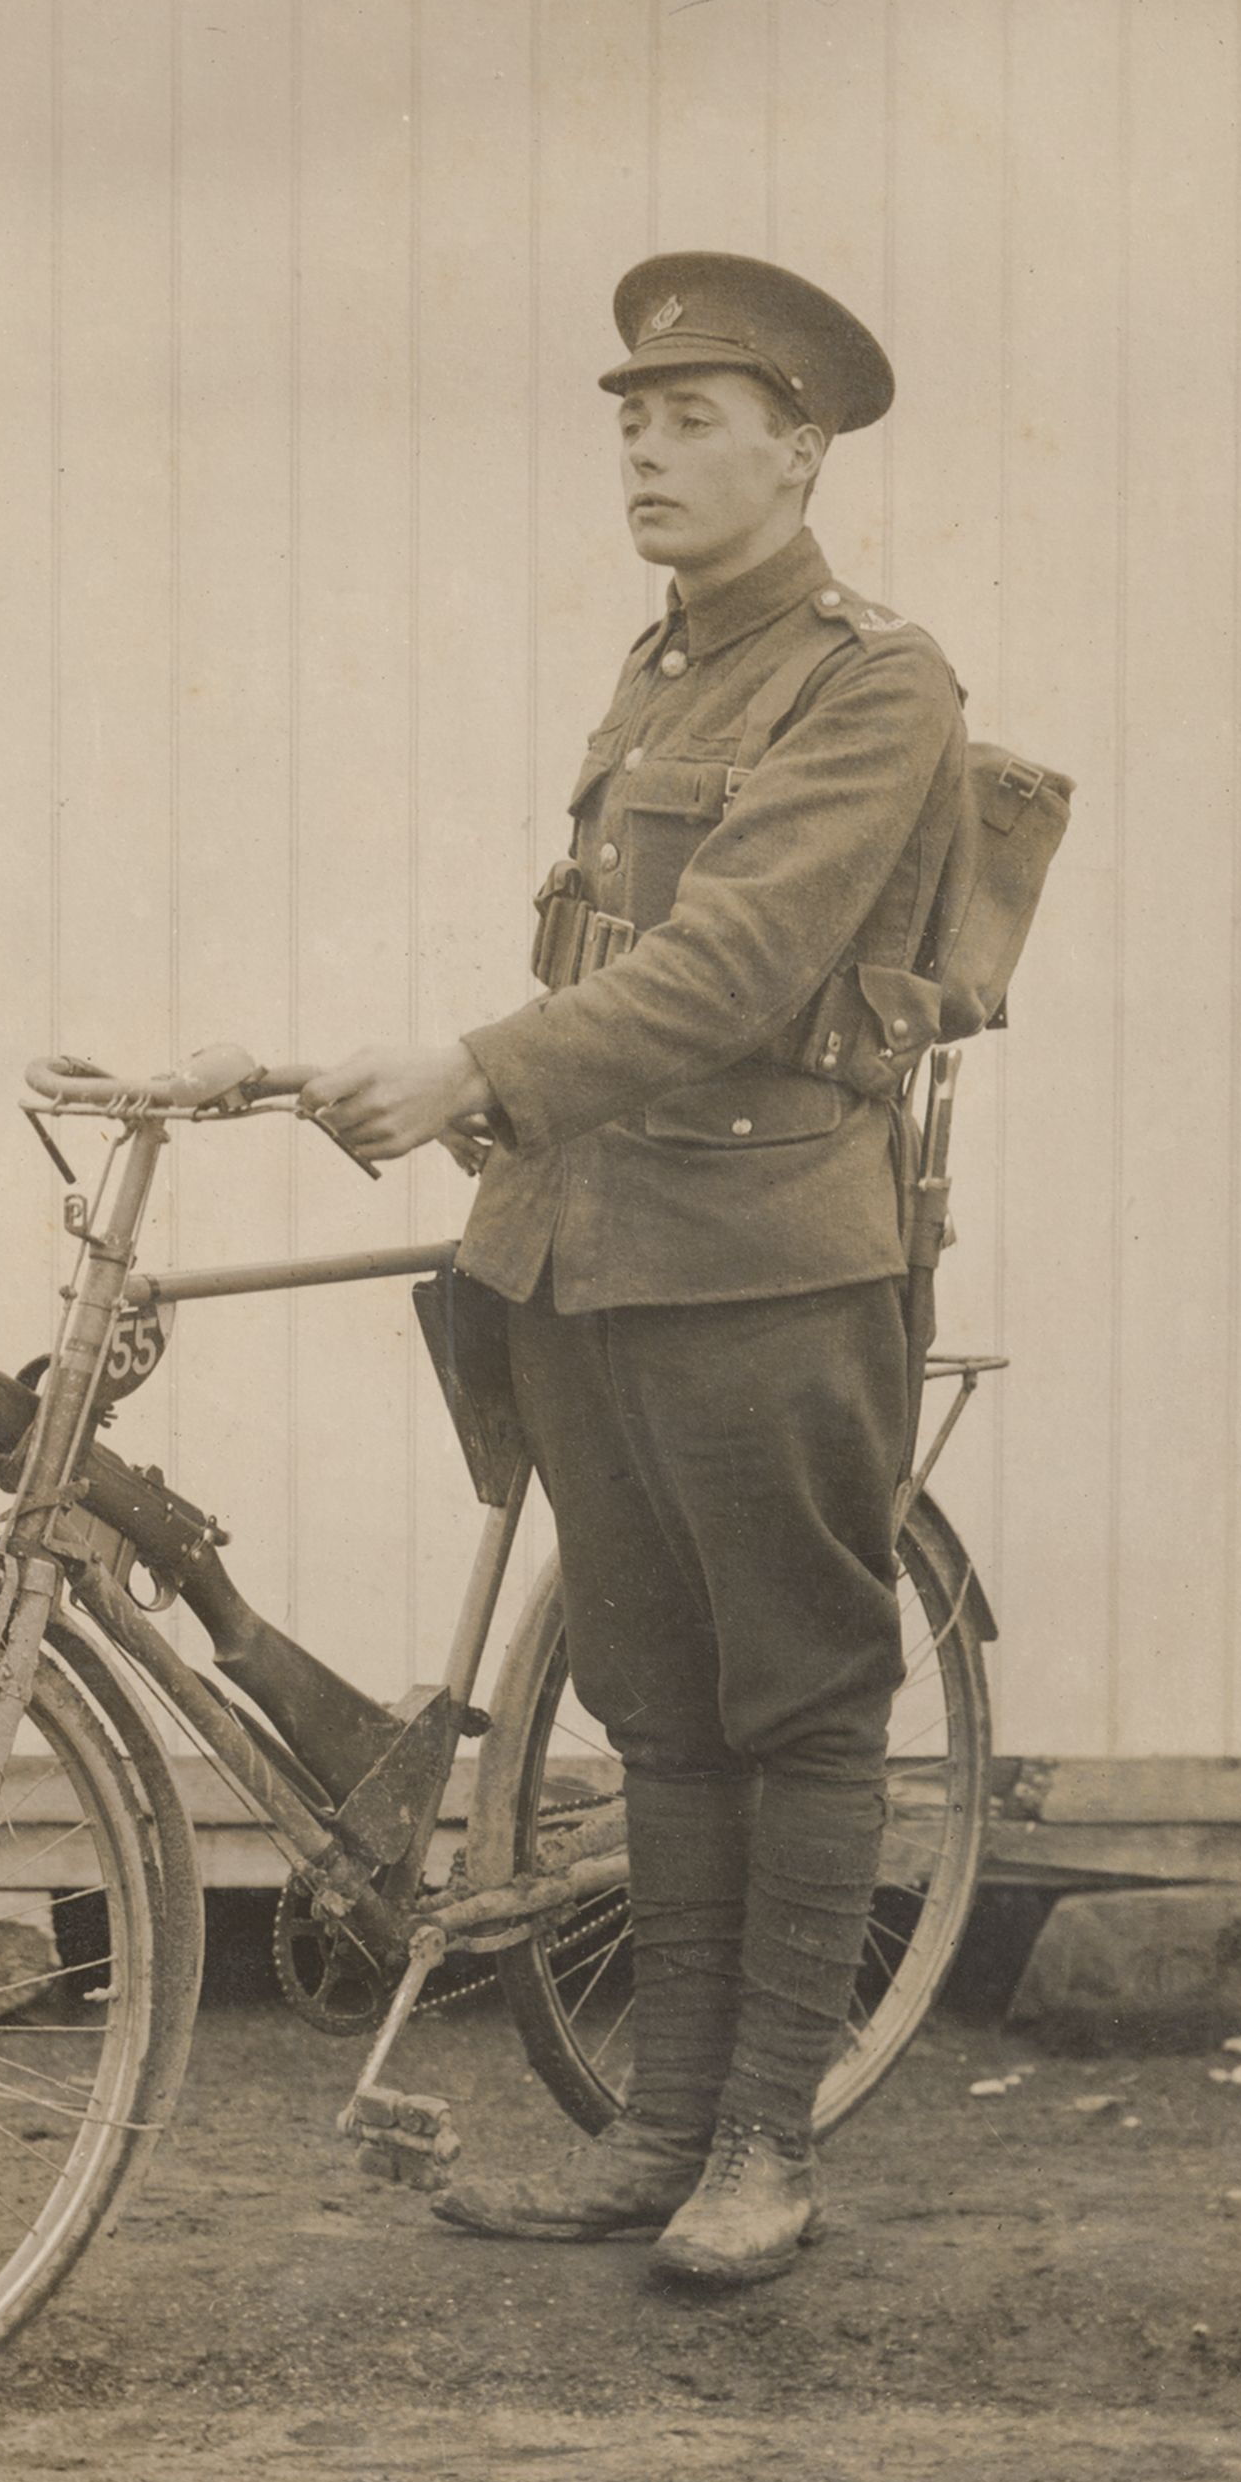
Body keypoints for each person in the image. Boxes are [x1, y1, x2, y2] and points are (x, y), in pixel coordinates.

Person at [303, 251, 968, 2287]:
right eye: (630, 421)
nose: (649, 454)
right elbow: (602, 954)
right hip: (589, 1253)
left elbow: (738, 963)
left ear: (802, 446)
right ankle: (658, 2136)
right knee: (658, 1712)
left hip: (765, 1262)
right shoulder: (664, 665)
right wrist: (490, 1102)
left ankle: (764, 2142)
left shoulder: (875, 677)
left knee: (797, 1700)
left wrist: (475, 1070)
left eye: (693, 421)